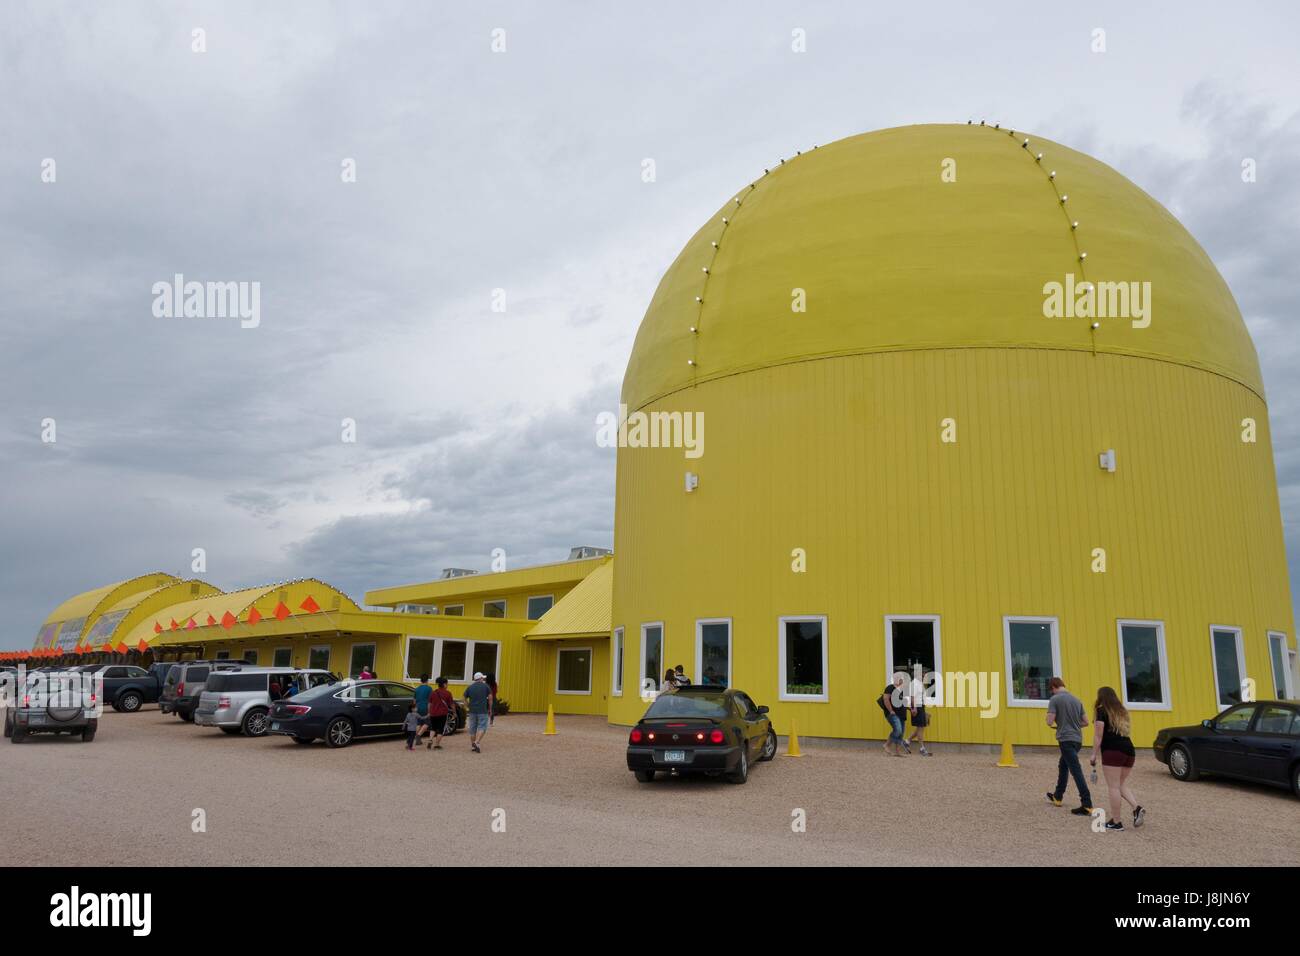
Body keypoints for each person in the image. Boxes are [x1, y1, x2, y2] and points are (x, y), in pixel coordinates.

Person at [1090, 686, 1144, 831]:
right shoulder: (1122, 711)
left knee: (1113, 787)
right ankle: (1136, 808)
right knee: (1120, 784)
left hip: (1112, 751)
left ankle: (1117, 822)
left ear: (1101, 697)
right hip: (1129, 751)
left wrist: (1094, 754)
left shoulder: (1101, 710)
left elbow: (1098, 735)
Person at [1045, 677, 1095, 816]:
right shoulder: (1077, 700)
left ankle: (1087, 804)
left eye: (1051, 691)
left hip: (1065, 739)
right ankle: (1058, 796)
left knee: (1076, 770)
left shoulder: (1055, 699)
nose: (1052, 693)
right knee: (1063, 765)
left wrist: (1058, 723)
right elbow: (1085, 722)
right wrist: (1072, 725)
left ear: (1053, 687)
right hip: (1077, 740)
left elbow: (1049, 721)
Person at [463, 671, 494, 753]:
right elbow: (490, 698)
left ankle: (473, 746)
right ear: (480, 678)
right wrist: (490, 709)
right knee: (482, 727)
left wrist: (467, 706)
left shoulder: (470, 687)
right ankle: (477, 742)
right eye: (482, 678)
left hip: (472, 710)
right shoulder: (486, 686)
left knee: (472, 728)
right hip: (482, 710)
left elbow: (464, 697)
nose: (483, 679)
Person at [878, 674, 908, 756]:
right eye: (900, 678)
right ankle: (887, 745)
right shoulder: (890, 688)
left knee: (901, 733)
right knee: (898, 730)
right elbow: (885, 699)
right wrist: (891, 710)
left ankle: (898, 752)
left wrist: (911, 709)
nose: (902, 680)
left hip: (902, 714)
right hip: (892, 713)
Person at [426, 677, 455, 750]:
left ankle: (430, 740)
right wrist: (454, 713)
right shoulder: (448, 693)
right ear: (444, 684)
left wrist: (429, 712)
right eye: (447, 684)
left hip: (433, 713)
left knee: (433, 728)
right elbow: (451, 704)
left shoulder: (433, 692)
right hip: (442, 714)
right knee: (440, 729)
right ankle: (436, 745)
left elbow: (429, 704)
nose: (447, 685)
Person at [906, 676, 932, 756]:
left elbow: (921, 697)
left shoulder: (920, 684)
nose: (924, 676)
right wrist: (914, 708)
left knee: (920, 728)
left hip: (921, 707)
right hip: (917, 706)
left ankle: (906, 741)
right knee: (920, 728)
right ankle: (922, 748)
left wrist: (924, 711)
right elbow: (912, 697)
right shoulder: (914, 683)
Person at [412, 673, 434, 742]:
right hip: (425, 707)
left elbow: (414, 700)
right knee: (427, 723)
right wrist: (430, 710)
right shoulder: (429, 689)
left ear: (420, 680)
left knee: (419, 723)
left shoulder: (417, 689)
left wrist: (414, 708)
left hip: (418, 707)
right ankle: (418, 735)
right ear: (427, 680)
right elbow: (431, 700)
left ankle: (417, 739)